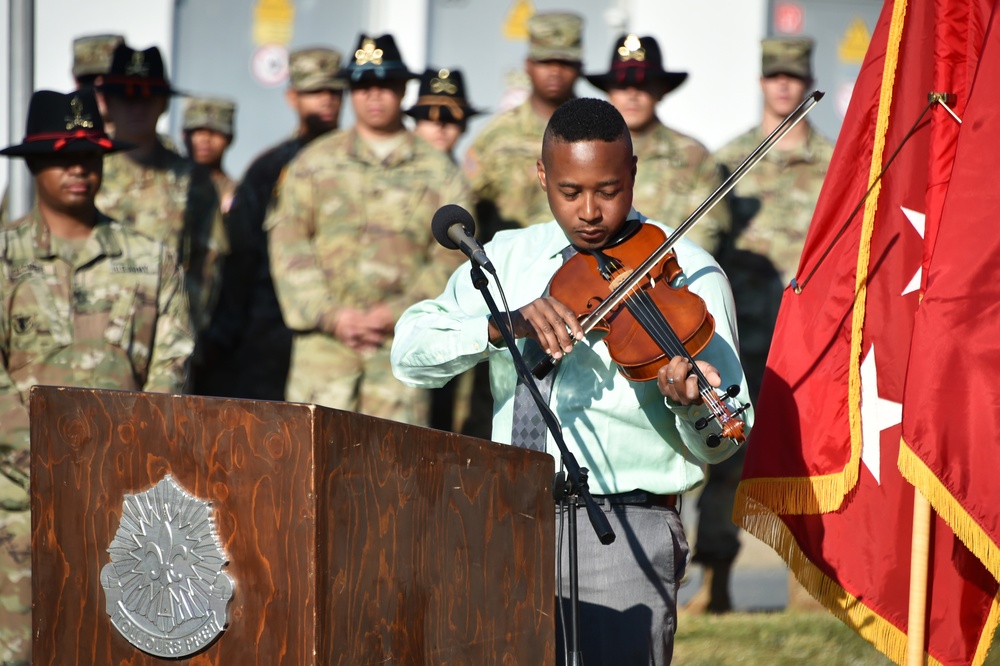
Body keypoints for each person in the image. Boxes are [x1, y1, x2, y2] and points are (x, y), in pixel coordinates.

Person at [392, 97, 752, 665]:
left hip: (626, 524)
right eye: (570, 192)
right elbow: (408, 351)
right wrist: (499, 325)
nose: (590, 212)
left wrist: (690, 406)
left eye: (608, 191)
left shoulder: (690, 272)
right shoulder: (505, 259)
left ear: (633, 172)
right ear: (542, 176)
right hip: (506, 518)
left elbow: (728, 433)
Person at [0, 89, 195, 665]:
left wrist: (131, 455)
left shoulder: (149, 257)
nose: (79, 169)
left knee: (109, 647)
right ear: (35, 164)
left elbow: (172, 364)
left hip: (122, 495)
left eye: (90, 155)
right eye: (63, 156)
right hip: (17, 498)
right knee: (18, 648)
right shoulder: (6, 258)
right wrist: (35, 452)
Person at [684, 37, 834, 614]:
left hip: (810, 338)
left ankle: (805, 585)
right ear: (762, 81)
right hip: (741, 337)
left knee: (807, 458)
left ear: (806, 81)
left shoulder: (831, 163)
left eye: (794, 76)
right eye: (774, 75)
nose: (784, 85)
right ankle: (714, 584)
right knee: (726, 453)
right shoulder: (729, 161)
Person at [266, 34, 473, 425]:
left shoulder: (441, 173)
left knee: (393, 478)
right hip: (324, 358)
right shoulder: (311, 164)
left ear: (402, 89)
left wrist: (395, 313)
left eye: (385, 84)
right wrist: (332, 315)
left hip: (400, 354)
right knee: (310, 475)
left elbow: (451, 260)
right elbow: (288, 246)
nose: (374, 95)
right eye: (363, 85)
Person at [196, 46, 346, 401]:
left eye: (334, 92)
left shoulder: (360, 163)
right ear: (292, 96)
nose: (326, 101)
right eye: (314, 91)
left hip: (342, 329)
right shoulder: (270, 168)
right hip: (271, 330)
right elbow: (241, 258)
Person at [95, 43, 226, 338]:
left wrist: (180, 322)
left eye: (148, 97)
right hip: (91, 332)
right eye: (126, 97)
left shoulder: (194, 180)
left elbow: (209, 264)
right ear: (106, 103)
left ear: (164, 103)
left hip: (167, 334)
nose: (137, 107)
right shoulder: (85, 171)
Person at [586, 34, 729, 254]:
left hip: (672, 279)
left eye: (643, 85)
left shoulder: (693, 157)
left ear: (661, 91)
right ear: (609, 91)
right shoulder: (583, 153)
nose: (632, 95)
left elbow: (705, 232)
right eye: (623, 85)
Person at [465, 11, 584, 238]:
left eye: (565, 62)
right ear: (528, 65)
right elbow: (467, 202)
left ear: (580, 66)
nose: (555, 71)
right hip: (509, 266)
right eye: (545, 61)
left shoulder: (599, 131)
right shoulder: (497, 135)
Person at [406, 67, 482, 159]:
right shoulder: (393, 170)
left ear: (464, 126)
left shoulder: (474, 172)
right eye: (429, 118)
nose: (440, 126)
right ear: (416, 125)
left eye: (450, 119)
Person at [182, 97, 238, 214]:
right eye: (198, 131)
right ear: (184, 135)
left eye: (215, 132)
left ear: (230, 138)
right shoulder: (163, 183)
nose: (205, 139)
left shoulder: (238, 195)